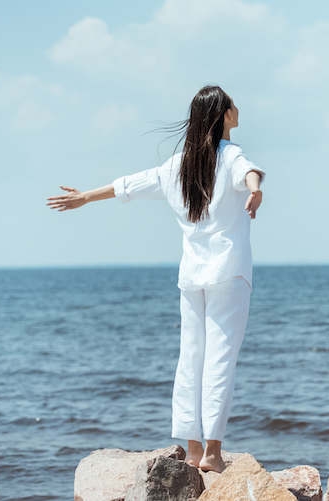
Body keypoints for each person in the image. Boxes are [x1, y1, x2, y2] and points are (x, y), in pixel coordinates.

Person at [46, 85, 265, 473]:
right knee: (219, 360)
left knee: (191, 360)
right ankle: (213, 453)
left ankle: (193, 448)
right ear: (223, 115)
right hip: (228, 273)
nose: (237, 106)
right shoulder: (230, 154)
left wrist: (84, 198)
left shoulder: (178, 165)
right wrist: (255, 190)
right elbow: (247, 170)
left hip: (192, 277)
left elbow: (127, 185)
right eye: (231, 102)